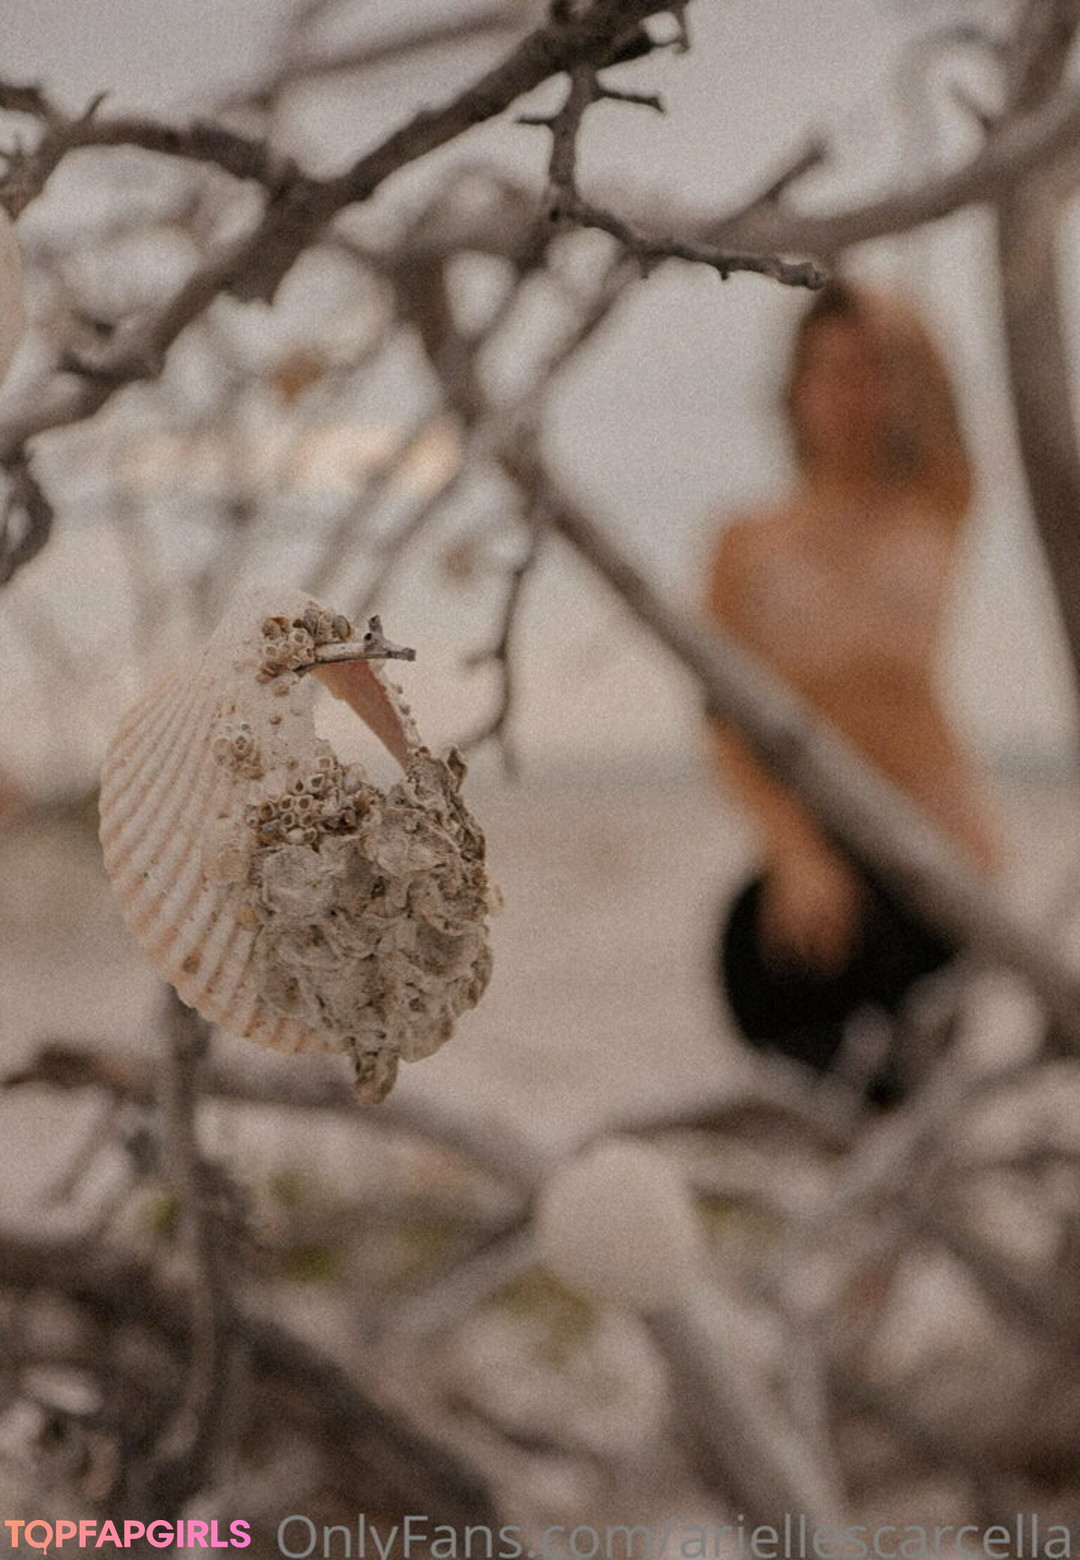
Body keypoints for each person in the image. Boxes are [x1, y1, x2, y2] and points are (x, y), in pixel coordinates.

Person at [706, 279, 1001, 1106]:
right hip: (820, 855)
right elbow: (725, 726)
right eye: (832, 370)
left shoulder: (935, 503)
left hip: (943, 848)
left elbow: (947, 390)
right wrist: (792, 853)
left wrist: (873, 294)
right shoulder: (744, 543)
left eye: (875, 370)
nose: (853, 394)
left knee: (922, 1085)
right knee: (820, 1077)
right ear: (795, 389)